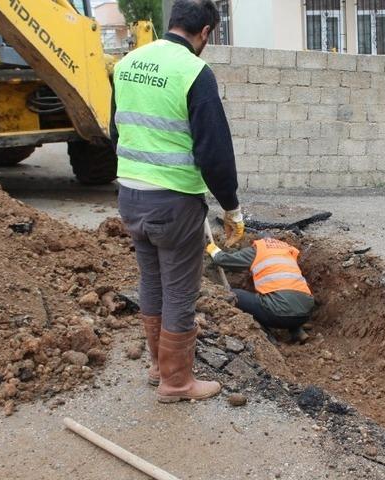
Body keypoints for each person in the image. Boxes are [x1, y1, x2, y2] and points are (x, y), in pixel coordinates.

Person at [111, 0, 244, 403]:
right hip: (174, 203)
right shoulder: (194, 73)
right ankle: (177, 383)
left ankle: (158, 366)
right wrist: (231, 207)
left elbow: (116, 133)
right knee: (181, 291)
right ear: (205, 32)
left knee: (152, 280)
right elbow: (214, 152)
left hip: (131, 197)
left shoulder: (127, 64)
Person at [206, 237, 315, 343]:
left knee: (233, 294)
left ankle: (266, 333)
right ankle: (297, 330)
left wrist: (213, 250)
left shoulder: (259, 250)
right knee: (285, 297)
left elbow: (224, 260)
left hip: (278, 314)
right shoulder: (287, 251)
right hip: (306, 313)